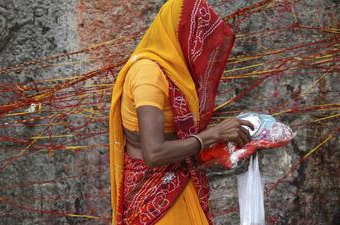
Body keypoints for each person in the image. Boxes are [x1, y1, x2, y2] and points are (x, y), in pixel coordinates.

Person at [109, 0, 254, 224]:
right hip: (155, 197)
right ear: (179, 34)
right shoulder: (149, 74)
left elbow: (180, 135)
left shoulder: (175, 71)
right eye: (197, 40)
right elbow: (154, 153)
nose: (201, 51)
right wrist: (214, 135)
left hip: (179, 184)